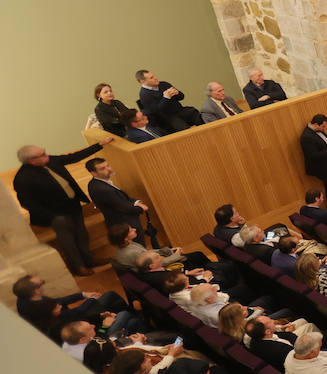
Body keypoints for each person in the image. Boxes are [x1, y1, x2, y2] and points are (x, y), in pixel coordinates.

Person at [14, 140, 111, 275]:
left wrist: (99, 145)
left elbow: (72, 157)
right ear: (32, 161)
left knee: (82, 234)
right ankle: (78, 267)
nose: (46, 155)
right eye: (42, 154)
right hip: (56, 215)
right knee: (68, 241)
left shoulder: (49, 160)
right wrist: (52, 216)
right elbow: (27, 203)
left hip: (72, 205)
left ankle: (89, 260)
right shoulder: (23, 178)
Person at [84, 157, 148, 240]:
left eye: (108, 166)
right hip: (124, 226)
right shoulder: (102, 189)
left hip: (123, 222)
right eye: (103, 168)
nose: (109, 169)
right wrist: (140, 208)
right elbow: (122, 207)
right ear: (93, 173)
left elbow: (121, 199)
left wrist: (136, 202)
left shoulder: (96, 183)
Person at [135, 68, 203, 133]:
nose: (155, 78)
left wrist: (177, 93)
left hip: (179, 110)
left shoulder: (163, 84)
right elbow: (157, 111)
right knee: (184, 130)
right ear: (143, 81)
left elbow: (182, 97)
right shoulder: (144, 95)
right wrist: (166, 98)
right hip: (167, 118)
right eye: (151, 78)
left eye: (154, 76)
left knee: (194, 113)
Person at [299, 113, 327, 200]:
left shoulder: (319, 131)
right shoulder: (306, 137)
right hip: (322, 169)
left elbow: (324, 145)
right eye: (323, 126)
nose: (324, 129)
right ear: (315, 124)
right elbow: (312, 155)